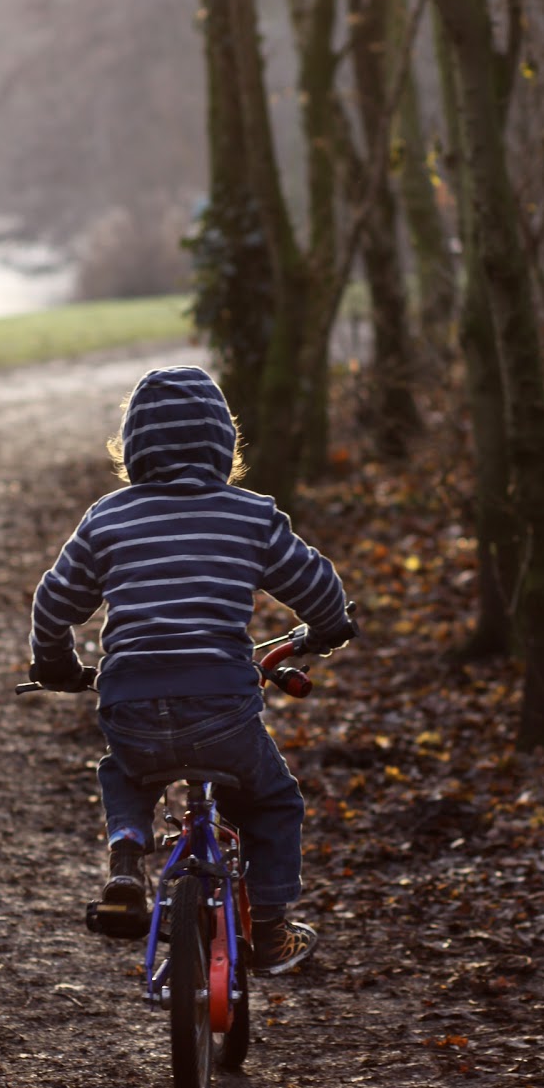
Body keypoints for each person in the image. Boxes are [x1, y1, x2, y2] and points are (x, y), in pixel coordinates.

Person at [28, 364, 356, 976]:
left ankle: (127, 858)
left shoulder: (108, 520)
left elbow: (55, 600)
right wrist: (329, 626)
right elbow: (314, 583)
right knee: (272, 799)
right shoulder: (250, 517)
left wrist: (56, 663)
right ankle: (272, 924)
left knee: (125, 771)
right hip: (223, 708)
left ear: (132, 447)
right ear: (222, 444)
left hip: (130, 705)